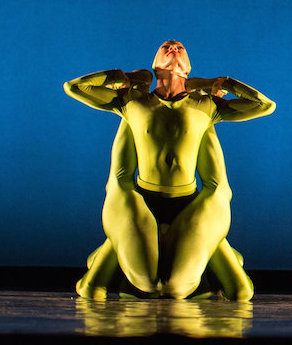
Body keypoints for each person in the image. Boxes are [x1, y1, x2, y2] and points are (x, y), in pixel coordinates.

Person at [65, 40, 275, 299]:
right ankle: (113, 250)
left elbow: (264, 105)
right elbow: (74, 87)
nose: (174, 47)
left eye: (181, 48)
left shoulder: (206, 105)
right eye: (166, 46)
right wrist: (125, 76)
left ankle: (216, 251)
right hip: (141, 199)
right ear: (154, 65)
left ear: (188, 68)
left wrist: (220, 83)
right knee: (146, 282)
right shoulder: (132, 100)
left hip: (187, 203)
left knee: (177, 286)